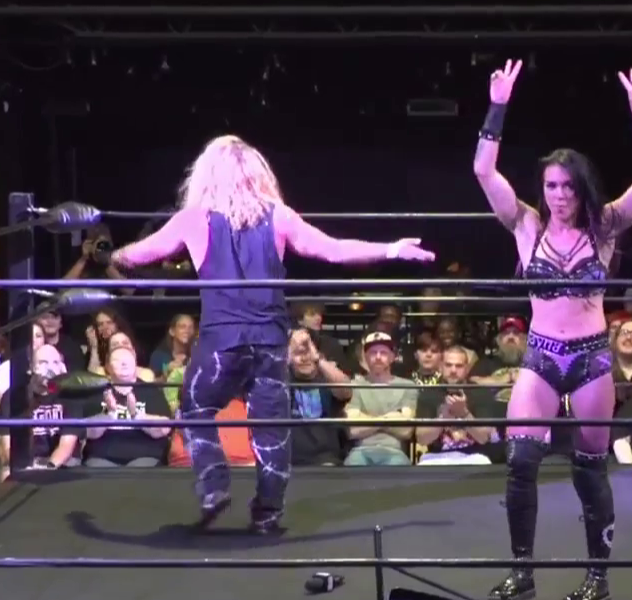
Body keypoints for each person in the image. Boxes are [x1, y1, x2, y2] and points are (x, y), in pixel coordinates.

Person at [112, 135, 436, 533]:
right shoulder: (277, 216)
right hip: (268, 341)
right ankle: (267, 514)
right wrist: (391, 250)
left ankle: (214, 485)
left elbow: (138, 255)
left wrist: (108, 255)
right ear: (257, 172)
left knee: (195, 405)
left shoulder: (194, 219)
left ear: (206, 174)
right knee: (270, 429)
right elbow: (332, 249)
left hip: (221, 341)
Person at [474, 59, 632, 600]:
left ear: (581, 188)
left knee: (589, 469)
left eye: (566, 186)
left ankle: (597, 578)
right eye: (551, 186)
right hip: (540, 356)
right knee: (521, 462)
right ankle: (522, 571)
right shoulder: (525, 223)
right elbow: (484, 172)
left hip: (590, 359)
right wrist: (497, 106)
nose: (558, 195)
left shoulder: (604, 225)